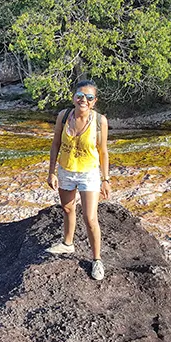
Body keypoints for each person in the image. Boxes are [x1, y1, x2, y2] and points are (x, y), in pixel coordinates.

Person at [46, 79, 111, 281]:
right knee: (67, 208)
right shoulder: (64, 116)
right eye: (80, 96)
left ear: (94, 101)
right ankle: (67, 243)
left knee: (90, 218)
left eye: (89, 97)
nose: (84, 100)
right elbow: (55, 144)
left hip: (89, 173)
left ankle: (97, 260)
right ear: (74, 98)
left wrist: (106, 179)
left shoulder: (100, 121)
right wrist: (51, 172)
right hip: (65, 170)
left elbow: (103, 152)